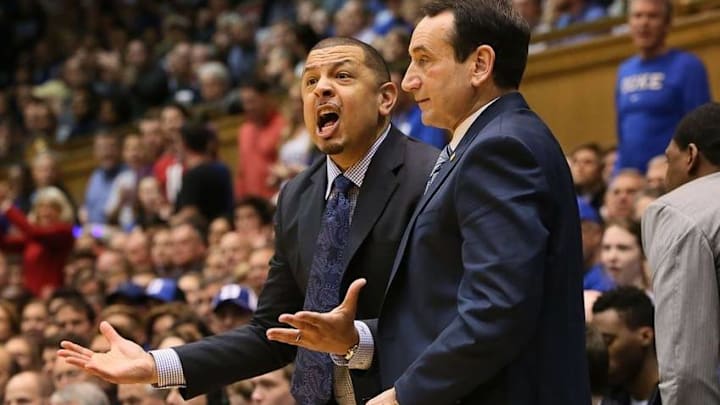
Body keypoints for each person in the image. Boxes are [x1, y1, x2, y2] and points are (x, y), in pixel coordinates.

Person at [57, 36, 438, 405]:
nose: (321, 89)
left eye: (342, 76)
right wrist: (156, 364)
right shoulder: (296, 195)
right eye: (310, 81)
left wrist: (357, 340)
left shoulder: (431, 175)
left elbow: (451, 313)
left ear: (386, 98)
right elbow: (270, 332)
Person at [269, 1, 589, 404]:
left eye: (423, 61)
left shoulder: (501, 148)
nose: (409, 82)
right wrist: (357, 338)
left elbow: (497, 310)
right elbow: (445, 306)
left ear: (479, 65)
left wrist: (405, 394)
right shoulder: (481, 143)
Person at [641, 102, 720, 404]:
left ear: (691, 156)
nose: (664, 175)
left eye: (667, 159)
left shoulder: (679, 212)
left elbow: (686, 371)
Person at [615, 0, 710, 173]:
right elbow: (622, 130)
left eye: (652, 16)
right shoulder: (624, 70)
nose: (644, 23)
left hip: (670, 174)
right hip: (631, 177)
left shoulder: (688, 66)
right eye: (638, 16)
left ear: (667, 24)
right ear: (629, 23)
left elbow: (701, 130)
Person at [591, 287, 660, 405]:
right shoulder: (604, 399)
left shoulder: (678, 397)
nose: (599, 350)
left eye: (608, 341)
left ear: (645, 336)